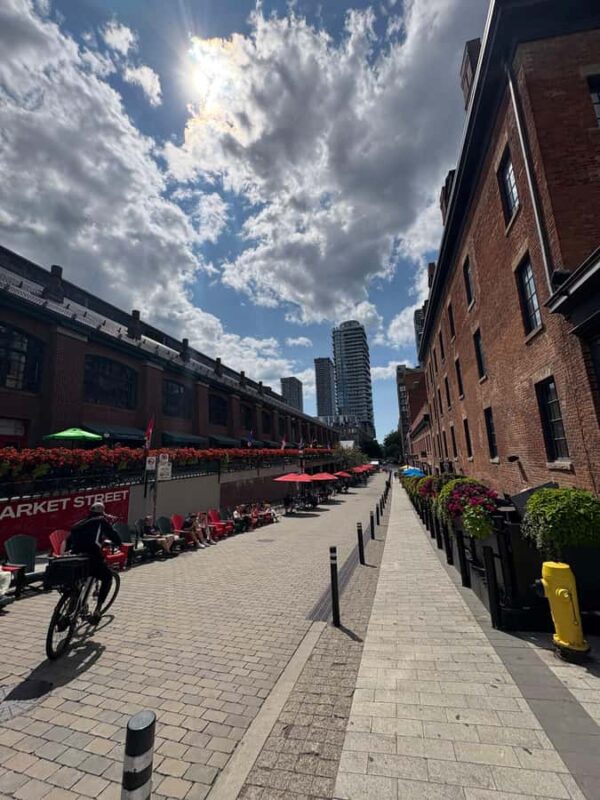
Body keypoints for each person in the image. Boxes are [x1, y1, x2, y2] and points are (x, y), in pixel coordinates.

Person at [67, 502, 122, 624]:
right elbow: (113, 535)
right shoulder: (101, 521)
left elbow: (69, 541)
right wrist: (119, 543)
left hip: (75, 558)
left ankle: (71, 607)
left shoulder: (79, 524)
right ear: (102, 512)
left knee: (78, 581)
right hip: (91, 557)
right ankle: (97, 610)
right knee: (107, 577)